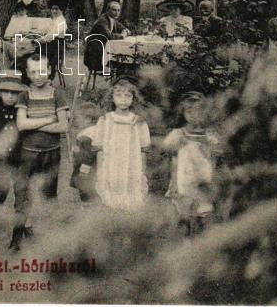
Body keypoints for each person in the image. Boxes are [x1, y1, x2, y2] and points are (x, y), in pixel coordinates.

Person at [10, 53, 69, 252]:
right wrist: (49, 119)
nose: (38, 76)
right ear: (27, 73)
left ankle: (45, 238)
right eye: (33, 72)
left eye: (42, 71)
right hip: (29, 154)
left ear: (50, 70)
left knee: (48, 196)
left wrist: (33, 124)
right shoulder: (24, 96)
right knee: (22, 195)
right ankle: (16, 238)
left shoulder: (58, 94)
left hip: (51, 153)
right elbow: (21, 124)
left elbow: (63, 127)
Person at [81, 75, 150, 211]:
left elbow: (143, 150)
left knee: (130, 192)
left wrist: (142, 170)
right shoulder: (105, 120)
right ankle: (112, 213)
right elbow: (99, 148)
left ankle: (128, 214)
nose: (123, 99)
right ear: (112, 97)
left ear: (133, 98)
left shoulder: (138, 122)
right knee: (111, 191)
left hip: (131, 163)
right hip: (111, 163)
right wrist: (101, 169)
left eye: (127, 96)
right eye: (118, 95)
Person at [162, 92, 222, 236]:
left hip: (203, 182)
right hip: (184, 182)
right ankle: (186, 243)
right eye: (189, 111)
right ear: (183, 113)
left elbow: (215, 159)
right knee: (185, 218)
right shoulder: (178, 134)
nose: (194, 115)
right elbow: (169, 154)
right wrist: (174, 184)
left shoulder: (210, 136)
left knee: (204, 215)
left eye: (199, 111)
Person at [0, 70, 25, 204]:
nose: (10, 96)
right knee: (0, 189)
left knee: (21, 189)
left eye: (14, 93)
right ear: (0, 93)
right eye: (6, 92)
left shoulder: (22, 112)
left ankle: (20, 215)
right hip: (1, 158)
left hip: (19, 156)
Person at [83, 1, 130, 75]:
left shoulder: (112, 19)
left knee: (123, 57)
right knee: (122, 61)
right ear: (108, 10)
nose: (117, 13)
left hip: (104, 50)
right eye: (114, 10)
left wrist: (125, 31)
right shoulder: (102, 20)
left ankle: (123, 77)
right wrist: (122, 35)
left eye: (118, 10)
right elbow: (109, 36)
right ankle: (122, 77)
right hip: (95, 55)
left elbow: (125, 29)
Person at [69, 102, 102, 202]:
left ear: (88, 119)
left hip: (86, 169)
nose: (76, 121)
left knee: (86, 189)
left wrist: (83, 172)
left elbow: (86, 157)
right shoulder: (98, 131)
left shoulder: (85, 136)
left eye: (77, 118)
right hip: (97, 167)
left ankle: (87, 203)